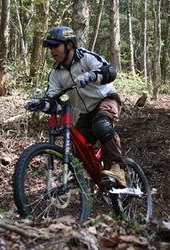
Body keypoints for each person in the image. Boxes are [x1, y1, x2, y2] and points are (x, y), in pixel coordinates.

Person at [25, 26, 126, 188]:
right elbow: (52, 97)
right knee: (77, 144)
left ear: (69, 45)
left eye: (55, 45)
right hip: (86, 113)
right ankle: (88, 177)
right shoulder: (56, 72)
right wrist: (41, 104)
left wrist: (92, 75)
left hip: (106, 99)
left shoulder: (85, 57)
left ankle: (117, 168)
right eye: (50, 47)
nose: (52, 50)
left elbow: (110, 71)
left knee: (101, 124)